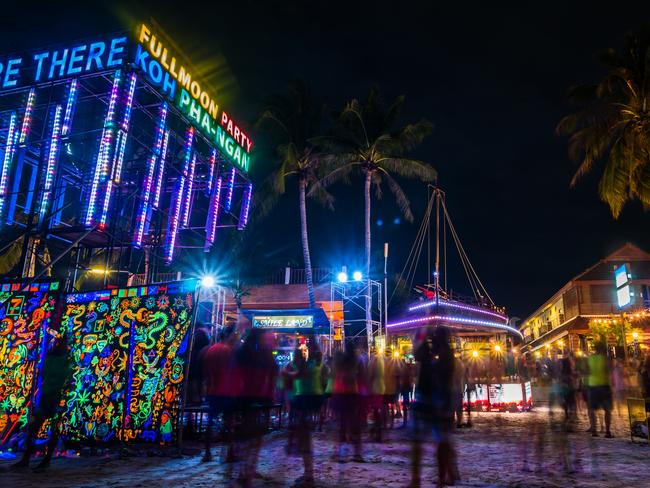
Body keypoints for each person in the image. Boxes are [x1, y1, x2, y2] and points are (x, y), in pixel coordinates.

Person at [12, 334, 72, 472]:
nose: (59, 344)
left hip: (54, 396)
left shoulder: (60, 359)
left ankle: (43, 460)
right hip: (48, 396)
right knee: (36, 427)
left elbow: (47, 374)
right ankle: (30, 459)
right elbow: (51, 375)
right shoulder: (59, 359)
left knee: (49, 429)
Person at [410, 326, 459, 488]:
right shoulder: (435, 352)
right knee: (436, 440)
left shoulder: (444, 354)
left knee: (438, 441)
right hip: (434, 398)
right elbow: (416, 353)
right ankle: (436, 478)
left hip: (434, 398)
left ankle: (438, 478)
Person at [286, 340, 324, 487]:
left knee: (305, 438)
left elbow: (289, 376)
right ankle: (308, 473)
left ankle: (308, 475)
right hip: (310, 402)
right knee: (305, 437)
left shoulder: (299, 367)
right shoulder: (314, 364)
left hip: (303, 402)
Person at [201, 325, 237, 463]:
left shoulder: (210, 350)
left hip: (212, 391)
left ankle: (207, 452)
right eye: (233, 334)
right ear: (228, 335)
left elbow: (206, 372)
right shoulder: (229, 351)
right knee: (229, 423)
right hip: (226, 391)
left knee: (210, 423)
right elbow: (232, 372)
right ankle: (229, 453)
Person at [331, 342, 364, 462]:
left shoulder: (340, 361)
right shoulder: (354, 361)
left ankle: (341, 454)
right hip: (352, 393)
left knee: (341, 425)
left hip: (340, 393)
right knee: (354, 424)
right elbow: (361, 376)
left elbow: (334, 373)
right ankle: (357, 453)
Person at [587, 342, 613, 438]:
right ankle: (607, 431)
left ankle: (594, 431)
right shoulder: (606, 359)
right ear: (603, 349)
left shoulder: (590, 358)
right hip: (604, 385)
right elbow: (609, 370)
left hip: (592, 385)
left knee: (592, 409)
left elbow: (586, 371)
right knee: (607, 410)